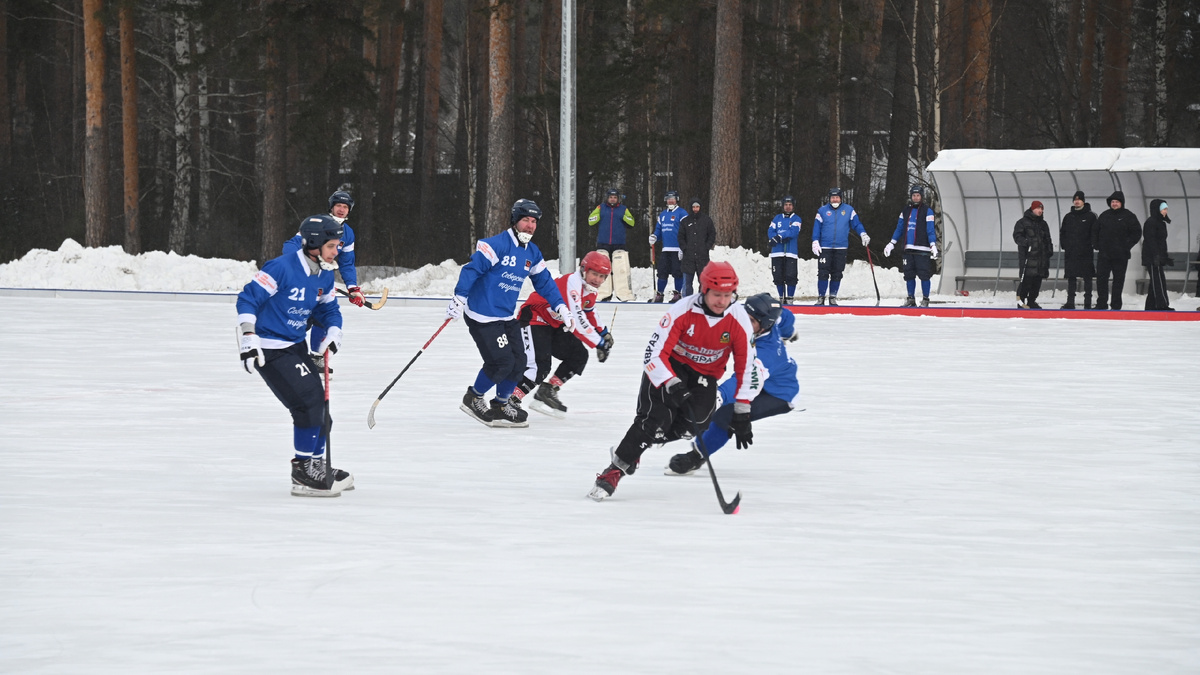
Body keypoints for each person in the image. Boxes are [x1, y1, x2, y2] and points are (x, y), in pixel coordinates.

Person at [587, 261, 757, 502]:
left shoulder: (738, 318)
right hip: (670, 367)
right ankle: (613, 472)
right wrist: (671, 382)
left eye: (728, 295)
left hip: (705, 375)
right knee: (654, 421)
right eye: (717, 294)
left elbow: (746, 365)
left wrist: (742, 409)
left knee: (695, 424)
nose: (722, 301)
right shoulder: (682, 310)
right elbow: (653, 353)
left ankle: (636, 447)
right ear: (704, 290)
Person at [237, 214, 353, 497]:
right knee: (308, 405)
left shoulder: (325, 272)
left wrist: (334, 331)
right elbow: (248, 298)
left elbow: (327, 308)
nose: (336, 252)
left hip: (295, 345)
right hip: (270, 349)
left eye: (338, 246)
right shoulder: (281, 267)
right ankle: (302, 472)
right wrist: (249, 336)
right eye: (331, 246)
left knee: (322, 410)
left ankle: (317, 465)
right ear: (314, 244)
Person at [446, 199, 572, 428]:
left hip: (505, 317)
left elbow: (544, 282)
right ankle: (474, 397)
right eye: (526, 220)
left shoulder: (532, 252)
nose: (530, 226)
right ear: (515, 220)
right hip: (483, 317)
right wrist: (459, 297)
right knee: (501, 362)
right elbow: (471, 270)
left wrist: (560, 306)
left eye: (534, 222)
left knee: (519, 362)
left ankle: (501, 405)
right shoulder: (496, 245)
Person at [664, 293, 800, 476]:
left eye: (751, 321)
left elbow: (742, 382)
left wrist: (717, 397)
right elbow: (786, 315)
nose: (745, 322)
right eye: (745, 315)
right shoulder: (771, 320)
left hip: (778, 394)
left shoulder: (766, 354)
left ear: (765, 325)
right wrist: (789, 332)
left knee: (727, 415)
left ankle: (696, 457)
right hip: (765, 381)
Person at [513, 251, 616, 417]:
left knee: (578, 355)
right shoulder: (572, 283)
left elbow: (590, 311)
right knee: (540, 365)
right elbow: (579, 321)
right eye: (594, 274)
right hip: (534, 317)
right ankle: (511, 400)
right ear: (584, 269)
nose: (597, 280)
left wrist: (603, 332)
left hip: (555, 324)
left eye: (602, 276)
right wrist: (600, 343)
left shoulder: (589, 289)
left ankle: (548, 390)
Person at [281, 189, 362, 374]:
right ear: (331, 207)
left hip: (323, 282)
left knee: (323, 317)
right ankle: (280, 351)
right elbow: (291, 245)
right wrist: (302, 265)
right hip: (303, 280)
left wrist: (353, 287)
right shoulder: (316, 223)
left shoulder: (348, 234)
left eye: (345, 207)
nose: (341, 209)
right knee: (300, 318)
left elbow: (347, 263)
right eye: (338, 205)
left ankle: (316, 358)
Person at [811, 187, 869, 306]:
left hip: (841, 247)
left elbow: (856, 224)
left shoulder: (849, 210)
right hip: (825, 247)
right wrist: (815, 241)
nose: (835, 200)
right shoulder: (822, 211)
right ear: (829, 199)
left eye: (837, 197)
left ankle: (833, 297)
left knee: (837, 273)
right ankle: (821, 297)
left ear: (841, 198)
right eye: (833, 198)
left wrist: (863, 233)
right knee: (823, 272)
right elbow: (817, 227)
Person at [884, 185, 938, 307]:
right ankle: (911, 299)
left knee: (924, 275)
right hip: (908, 249)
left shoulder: (928, 211)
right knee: (908, 275)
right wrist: (892, 243)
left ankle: (925, 299)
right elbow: (899, 228)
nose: (916, 198)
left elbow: (930, 230)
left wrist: (933, 245)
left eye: (918, 195)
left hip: (922, 249)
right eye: (914, 195)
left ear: (921, 197)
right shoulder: (905, 211)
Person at [1093, 191, 1142, 310]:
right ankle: (1102, 303)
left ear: (1122, 203)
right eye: (1112, 202)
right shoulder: (1104, 215)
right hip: (1104, 254)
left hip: (1121, 255)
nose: (1114, 204)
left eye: (1117, 202)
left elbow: (1136, 232)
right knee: (1101, 279)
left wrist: (1126, 245)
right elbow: (1095, 231)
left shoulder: (1129, 216)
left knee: (1118, 280)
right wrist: (1097, 245)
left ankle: (1116, 304)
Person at [587, 188, 636, 301]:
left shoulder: (623, 209)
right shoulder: (601, 207)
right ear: (607, 198)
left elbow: (632, 222)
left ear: (618, 199)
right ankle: (604, 293)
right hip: (603, 242)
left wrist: (625, 217)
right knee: (602, 268)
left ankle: (623, 294)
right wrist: (598, 216)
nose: (612, 199)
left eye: (615, 197)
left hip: (619, 243)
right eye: (610, 197)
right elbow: (590, 221)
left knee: (620, 268)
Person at [1059, 190, 1097, 309]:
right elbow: (1063, 233)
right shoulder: (1068, 217)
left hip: (1086, 252)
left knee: (1087, 278)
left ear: (1083, 201)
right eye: (1075, 199)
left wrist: (1092, 244)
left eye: (1079, 199)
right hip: (1071, 252)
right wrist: (1065, 245)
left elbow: (1095, 232)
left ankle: (1087, 303)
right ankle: (1070, 302)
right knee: (1071, 277)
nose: (1077, 201)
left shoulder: (1091, 216)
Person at [1013, 200, 1054, 309]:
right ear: (1032, 209)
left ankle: (1032, 301)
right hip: (1028, 258)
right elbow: (1017, 236)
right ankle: (1021, 302)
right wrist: (1026, 242)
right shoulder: (1022, 222)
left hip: (1041, 259)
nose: (1040, 210)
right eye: (1038, 208)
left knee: (1037, 282)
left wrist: (1049, 250)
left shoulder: (1043, 224)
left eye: (1041, 209)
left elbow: (1048, 239)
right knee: (1026, 281)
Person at [650, 190, 685, 302]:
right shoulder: (663, 214)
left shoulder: (682, 213)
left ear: (676, 200)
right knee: (662, 272)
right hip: (666, 249)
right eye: (669, 199)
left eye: (673, 199)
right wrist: (655, 236)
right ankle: (660, 294)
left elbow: (686, 231)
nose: (670, 201)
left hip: (677, 249)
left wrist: (683, 247)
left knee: (677, 272)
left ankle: (678, 294)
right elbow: (659, 230)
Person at [768, 196, 802, 303]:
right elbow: (770, 231)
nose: (788, 207)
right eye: (786, 205)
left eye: (790, 205)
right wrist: (774, 238)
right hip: (777, 252)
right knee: (778, 276)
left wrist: (780, 236)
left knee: (791, 276)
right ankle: (781, 298)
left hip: (790, 252)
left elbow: (793, 232)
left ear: (793, 206)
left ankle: (790, 298)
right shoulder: (777, 218)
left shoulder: (796, 218)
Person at [678, 199, 717, 295]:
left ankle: (702, 300)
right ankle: (687, 301)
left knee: (704, 283)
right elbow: (680, 236)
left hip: (702, 257)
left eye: (697, 207)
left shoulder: (706, 220)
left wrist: (707, 246)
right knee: (687, 284)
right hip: (688, 258)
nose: (695, 209)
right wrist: (684, 248)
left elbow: (712, 234)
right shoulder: (685, 221)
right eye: (693, 207)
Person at [1142, 199, 1175, 311]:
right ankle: (1162, 305)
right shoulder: (1151, 222)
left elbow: (1161, 242)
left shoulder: (1161, 223)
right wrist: (1156, 256)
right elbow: (1150, 240)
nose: (1165, 211)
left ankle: (1150, 305)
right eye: (1163, 209)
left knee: (1155, 281)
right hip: (1152, 257)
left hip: (1158, 257)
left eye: (1166, 209)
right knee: (1158, 281)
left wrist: (1165, 257)